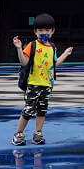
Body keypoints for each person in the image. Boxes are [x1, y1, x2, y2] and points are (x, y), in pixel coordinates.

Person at [11, 13, 73, 146]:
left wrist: (65, 55)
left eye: (47, 30)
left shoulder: (52, 47)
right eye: (40, 30)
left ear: (52, 31)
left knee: (42, 111)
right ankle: (19, 134)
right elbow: (24, 62)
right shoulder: (32, 45)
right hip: (33, 84)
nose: (43, 33)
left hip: (47, 85)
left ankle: (38, 133)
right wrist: (19, 49)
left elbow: (53, 65)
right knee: (28, 110)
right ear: (35, 31)